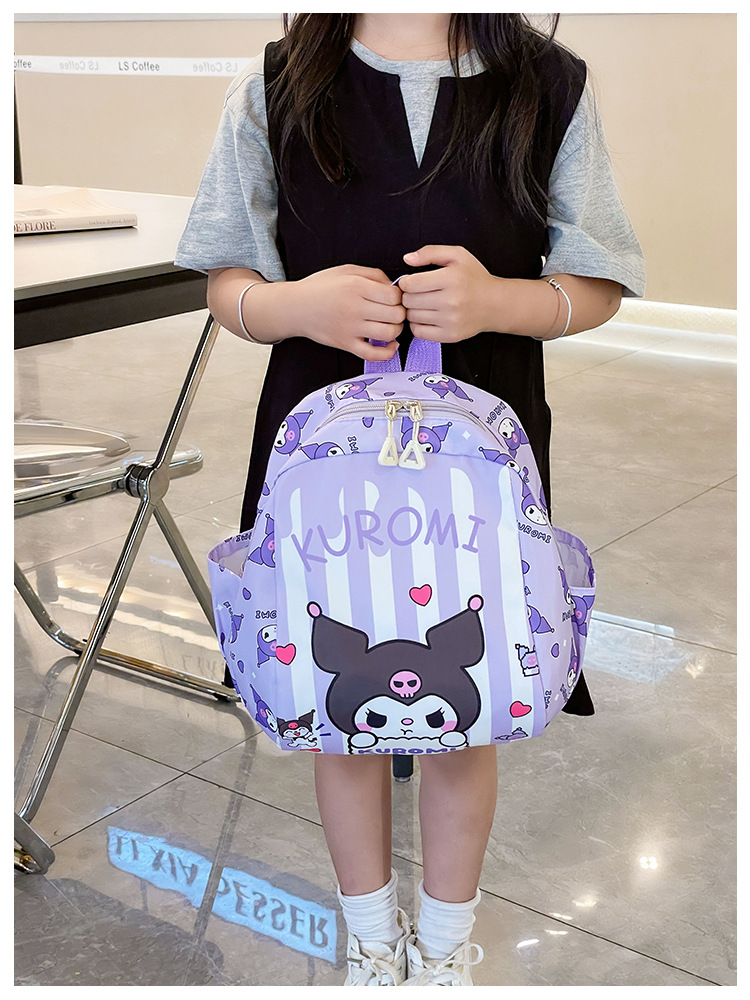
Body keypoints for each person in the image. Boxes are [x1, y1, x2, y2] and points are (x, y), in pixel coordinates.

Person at [176, 13, 645, 986]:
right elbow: (227, 275)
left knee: (466, 700)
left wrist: (499, 302)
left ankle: (441, 950)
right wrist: (289, 305)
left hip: (478, 467)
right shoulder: (277, 85)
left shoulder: (547, 84)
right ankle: (369, 941)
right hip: (321, 466)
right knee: (338, 703)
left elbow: (599, 280)